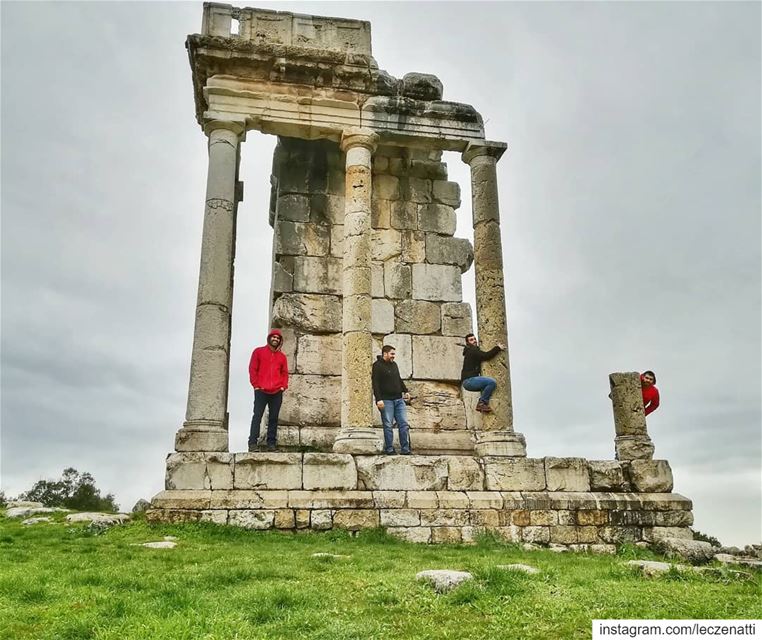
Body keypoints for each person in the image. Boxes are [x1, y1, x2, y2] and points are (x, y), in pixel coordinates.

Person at [248, 329, 288, 451]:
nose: (275, 339)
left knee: (274, 418)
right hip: (261, 390)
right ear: (269, 338)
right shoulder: (258, 352)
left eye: (277, 338)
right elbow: (252, 369)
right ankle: (252, 443)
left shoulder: (282, 357)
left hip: (276, 391)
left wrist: (283, 386)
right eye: (273, 337)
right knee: (257, 416)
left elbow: (284, 373)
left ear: (280, 341)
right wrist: (256, 385)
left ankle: (271, 444)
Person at [372, 345, 412, 455]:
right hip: (386, 400)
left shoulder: (394, 365)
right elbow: (375, 383)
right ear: (385, 354)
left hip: (399, 399)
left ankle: (405, 449)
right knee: (388, 425)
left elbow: (398, 379)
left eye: (394, 354)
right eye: (392, 354)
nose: (394, 356)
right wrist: (378, 399)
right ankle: (389, 449)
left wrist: (406, 390)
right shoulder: (377, 366)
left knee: (403, 424)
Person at [460, 333, 505, 413]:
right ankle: (482, 403)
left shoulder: (472, 351)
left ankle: (483, 405)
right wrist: (498, 348)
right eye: (471, 340)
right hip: (469, 381)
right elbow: (486, 356)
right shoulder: (472, 350)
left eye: (474, 339)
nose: (474, 341)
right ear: (467, 343)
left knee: (486, 387)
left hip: (468, 382)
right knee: (491, 382)